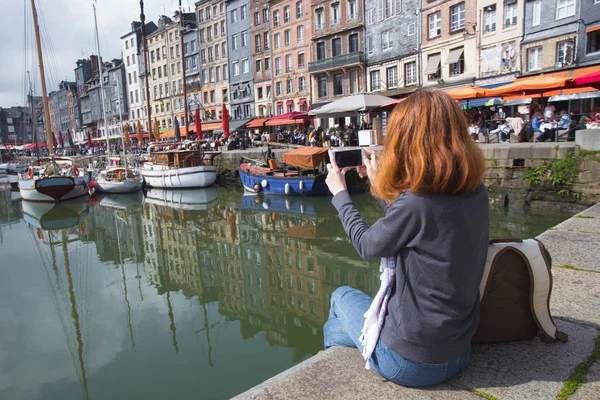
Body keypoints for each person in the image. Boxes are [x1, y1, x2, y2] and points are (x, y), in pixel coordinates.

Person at [323, 89, 489, 387]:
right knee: (342, 329)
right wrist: (377, 187)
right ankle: (341, 350)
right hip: (459, 349)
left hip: (411, 362)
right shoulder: (475, 193)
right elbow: (420, 227)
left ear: (406, 141)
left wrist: (340, 195)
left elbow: (367, 244)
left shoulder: (417, 203)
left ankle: (332, 379)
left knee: (340, 298)